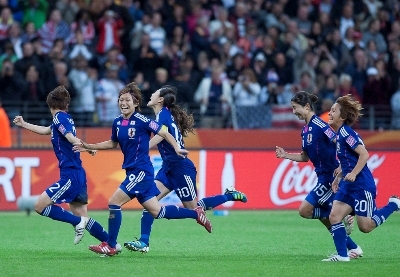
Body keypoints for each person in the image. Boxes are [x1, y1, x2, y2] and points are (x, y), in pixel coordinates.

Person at [73, 82, 212, 256]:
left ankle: (111, 245)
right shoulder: (117, 122)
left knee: (114, 202)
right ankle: (196, 214)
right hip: (133, 171)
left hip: (141, 172)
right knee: (157, 211)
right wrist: (89, 146)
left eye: (127, 100)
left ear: (136, 103)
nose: (123, 103)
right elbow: (112, 143)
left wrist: (176, 147)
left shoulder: (142, 121)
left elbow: (164, 132)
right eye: (120, 100)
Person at [124, 85, 248, 253]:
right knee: (150, 203)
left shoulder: (163, 115)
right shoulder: (162, 114)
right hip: (168, 168)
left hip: (181, 168)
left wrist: (140, 149)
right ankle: (144, 242)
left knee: (194, 208)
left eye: (154, 93)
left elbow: (161, 136)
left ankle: (229, 195)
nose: (151, 95)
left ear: (160, 99)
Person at [12, 86, 112, 248]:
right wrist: (24, 124)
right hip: (78, 173)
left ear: (50, 104)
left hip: (70, 175)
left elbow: (70, 137)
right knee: (83, 215)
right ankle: (111, 243)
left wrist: (87, 147)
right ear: (66, 104)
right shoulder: (64, 118)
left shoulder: (58, 118)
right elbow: (46, 130)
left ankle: (76, 222)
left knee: (40, 206)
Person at [275, 91, 363, 260]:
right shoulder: (305, 131)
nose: (294, 112)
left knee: (305, 210)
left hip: (331, 177)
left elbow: (341, 142)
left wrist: (343, 167)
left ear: (307, 106)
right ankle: (353, 247)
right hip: (321, 176)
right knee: (324, 216)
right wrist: (286, 155)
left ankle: (346, 216)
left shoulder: (322, 126)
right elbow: (305, 157)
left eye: (295, 108)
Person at [322, 94, 400, 262]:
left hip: (362, 185)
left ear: (342, 117)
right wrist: (339, 177)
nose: (330, 113)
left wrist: (354, 173)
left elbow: (364, 155)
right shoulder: (339, 135)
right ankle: (342, 256)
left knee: (366, 226)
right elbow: (348, 160)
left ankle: (393, 205)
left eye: (333, 111)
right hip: (348, 185)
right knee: (334, 216)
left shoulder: (346, 134)